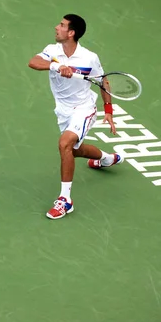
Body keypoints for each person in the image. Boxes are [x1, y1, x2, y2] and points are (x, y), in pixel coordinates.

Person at [28, 14, 124, 220]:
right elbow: (33, 62)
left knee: (64, 144)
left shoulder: (89, 58)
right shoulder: (52, 51)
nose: (56, 27)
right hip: (62, 110)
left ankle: (65, 200)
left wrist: (108, 111)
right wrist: (56, 66)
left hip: (84, 108)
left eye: (61, 25)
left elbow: (102, 82)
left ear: (71, 33)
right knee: (72, 150)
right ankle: (106, 159)